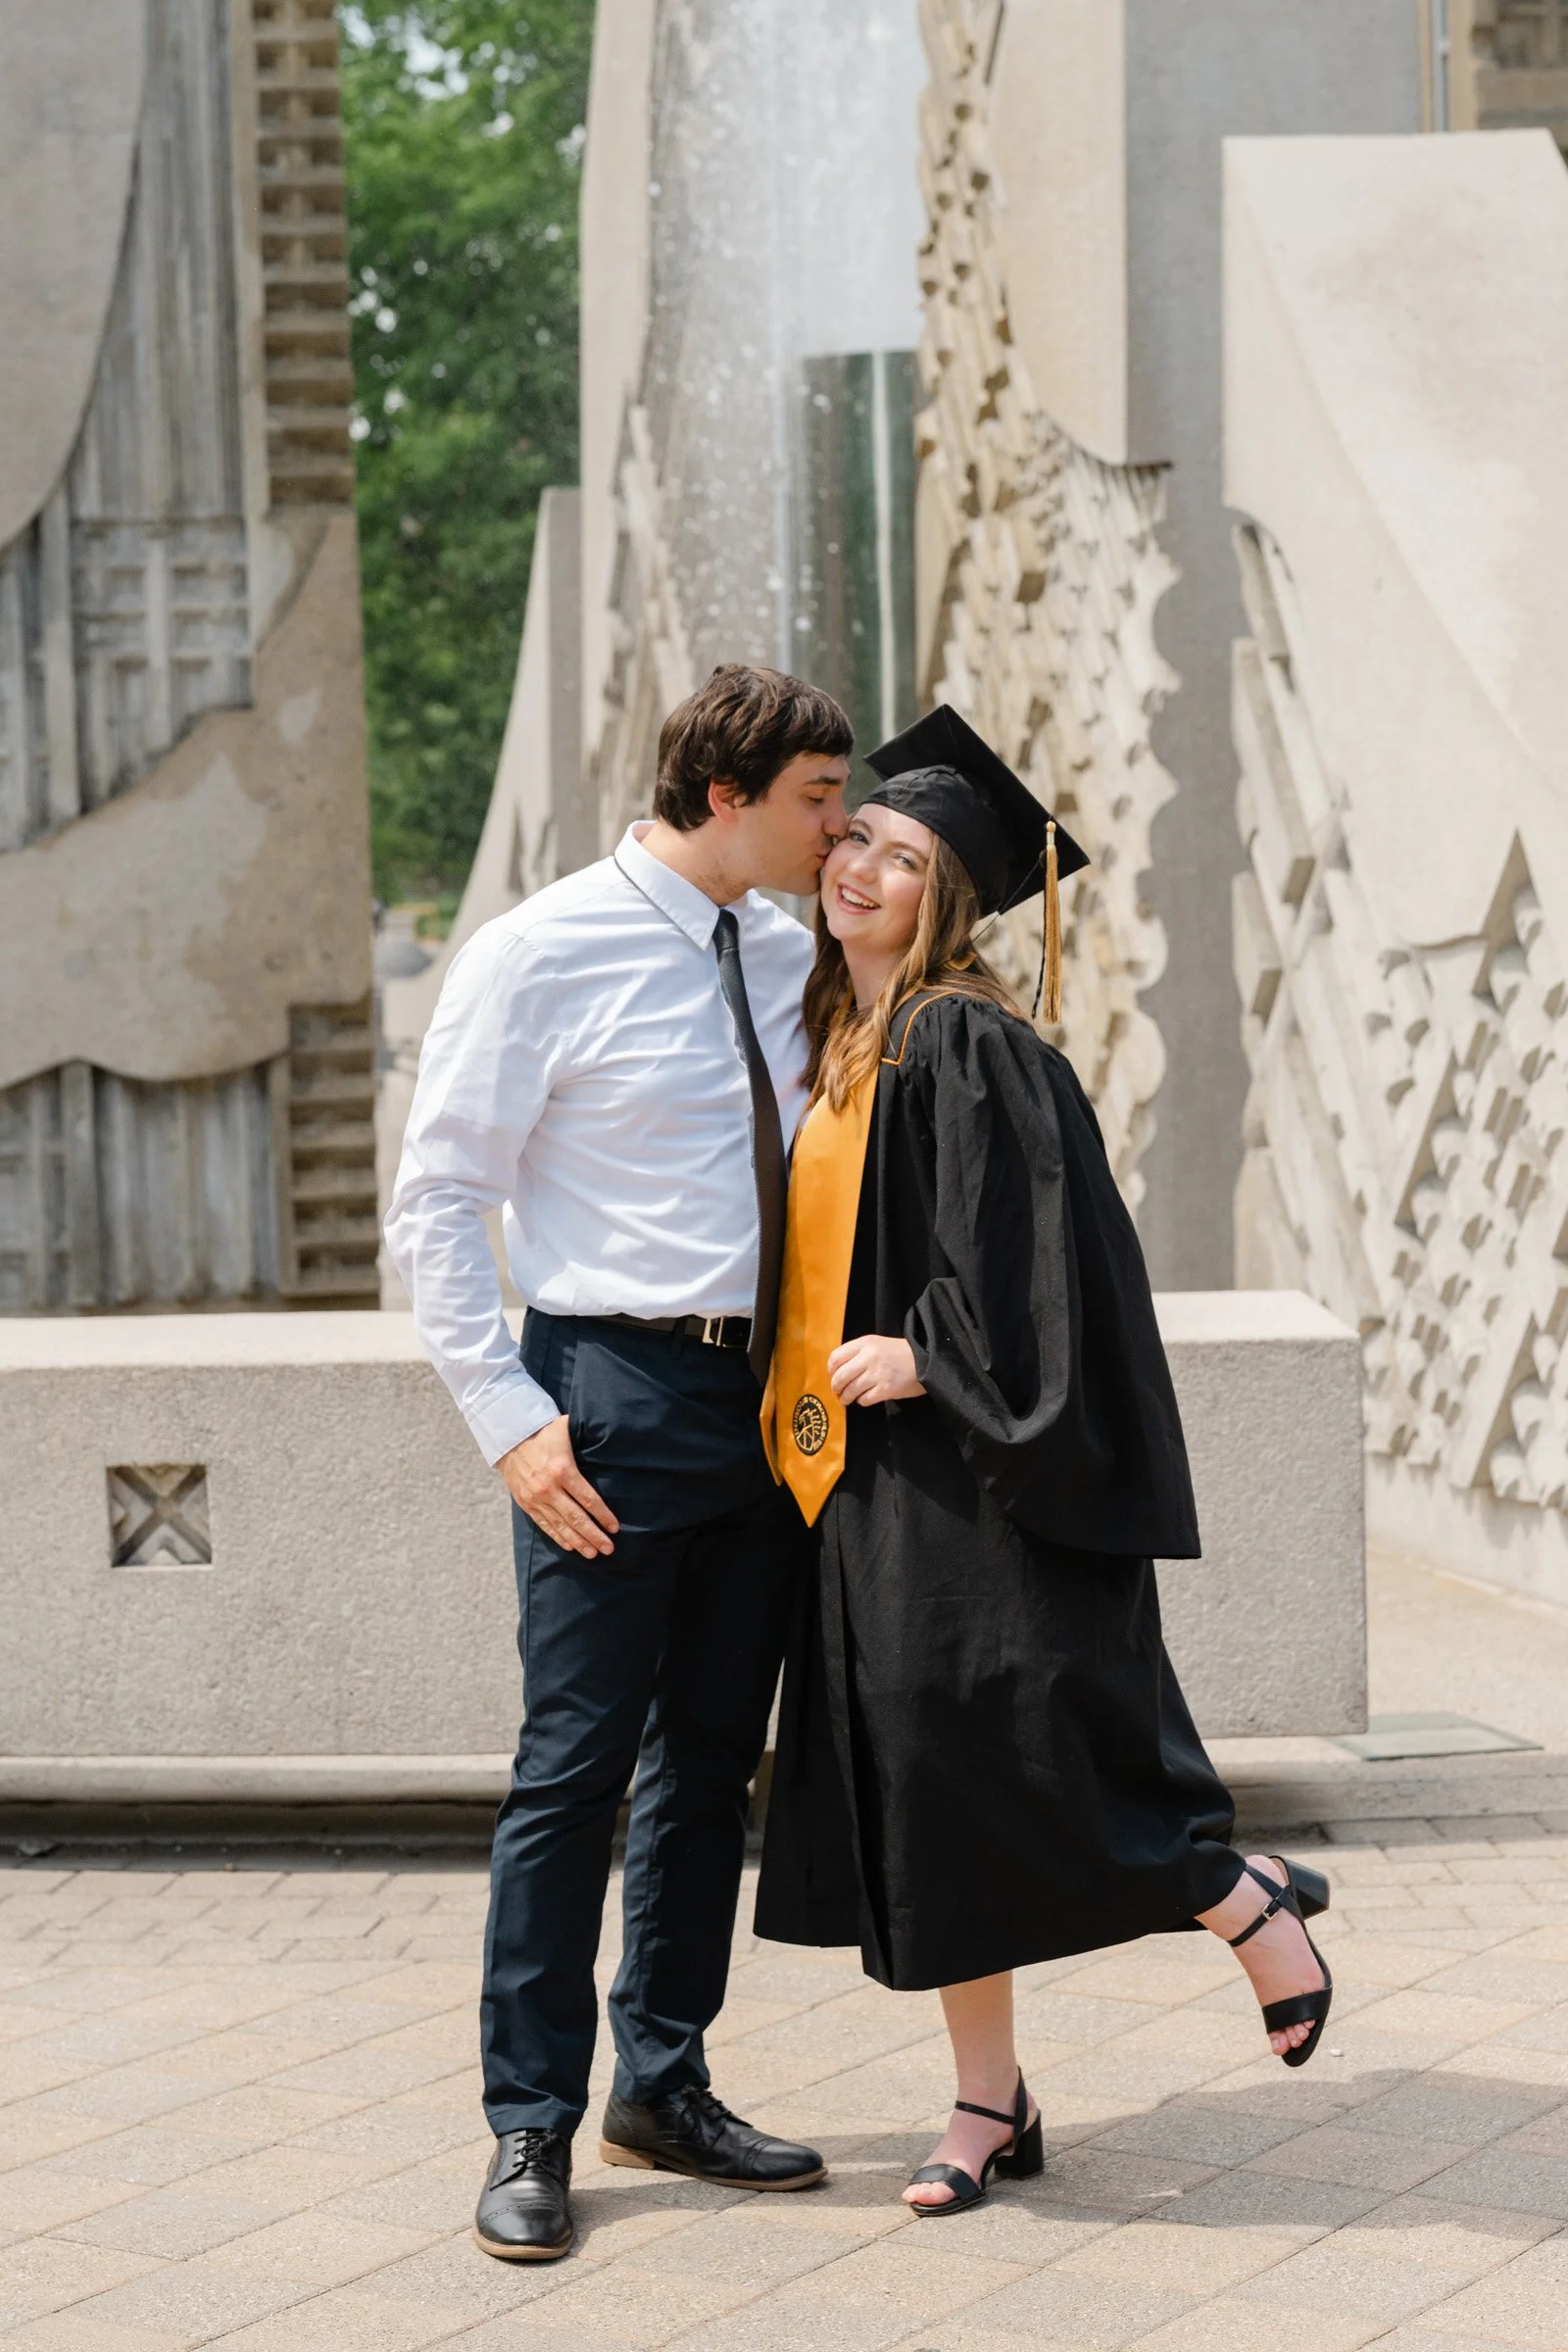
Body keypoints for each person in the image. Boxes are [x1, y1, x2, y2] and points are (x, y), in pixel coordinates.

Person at [755, 706, 1334, 2217]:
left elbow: (1031, 1273)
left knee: (1012, 1736)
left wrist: (922, 1357)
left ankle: (1238, 1896)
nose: (863, 865)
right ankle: (985, 2102)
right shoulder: (844, 1037)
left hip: (968, 1472)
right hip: (868, 1482)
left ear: (951, 898)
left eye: (904, 854)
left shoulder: (959, 1039)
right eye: (858, 836)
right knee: (929, 1784)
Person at [386, 663, 855, 2263]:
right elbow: (440, 1201)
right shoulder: (536, 952)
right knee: (571, 1771)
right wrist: (511, 1423)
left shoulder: (796, 955)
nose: (837, 827)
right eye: (815, 799)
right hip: (606, 1393)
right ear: (725, 796)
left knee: (710, 1764)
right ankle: (530, 2118)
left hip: (766, 1405)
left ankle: (663, 2078)